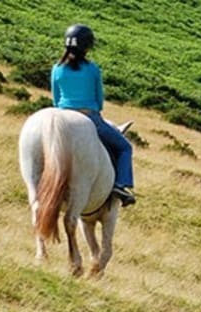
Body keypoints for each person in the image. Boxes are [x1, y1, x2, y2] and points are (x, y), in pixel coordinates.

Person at [51, 24, 136, 206]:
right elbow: (99, 100)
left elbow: (56, 99)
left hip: (62, 116)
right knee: (125, 148)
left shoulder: (56, 69)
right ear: (87, 47)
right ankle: (120, 185)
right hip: (90, 116)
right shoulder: (92, 69)